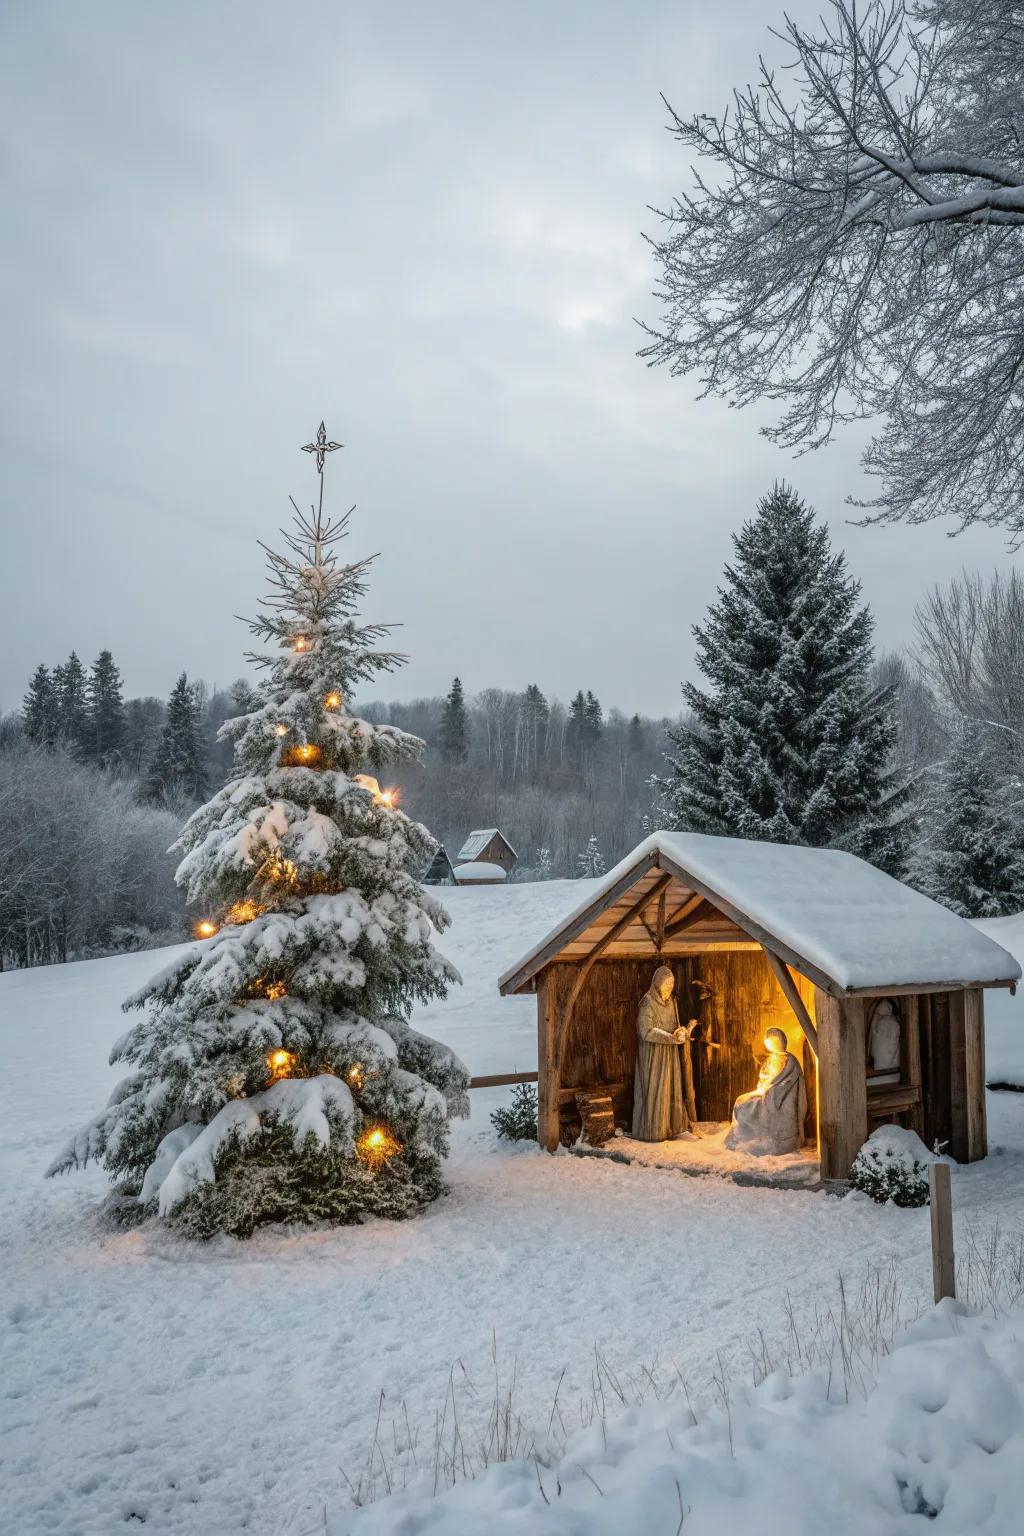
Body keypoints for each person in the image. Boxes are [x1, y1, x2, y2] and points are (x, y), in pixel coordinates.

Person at [632, 965, 695, 1141]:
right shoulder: (647, 1003)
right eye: (666, 984)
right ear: (657, 983)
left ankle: (675, 1127)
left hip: (670, 1054)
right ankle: (654, 1130)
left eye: (672, 984)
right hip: (654, 1056)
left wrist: (681, 1031)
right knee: (656, 1090)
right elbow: (645, 1031)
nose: (669, 987)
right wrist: (670, 1038)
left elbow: (674, 1027)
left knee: (673, 1088)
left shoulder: (671, 1002)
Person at [725, 1027, 807, 1155]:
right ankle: (741, 1135)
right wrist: (765, 1082)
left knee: (746, 1104)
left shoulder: (787, 1060)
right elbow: (767, 1076)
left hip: (775, 1097)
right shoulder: (779, 1058)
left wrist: (767, 1087)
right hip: (768, 1091)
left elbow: (780, 1081)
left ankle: (749, 1136)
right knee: (741, 1100)